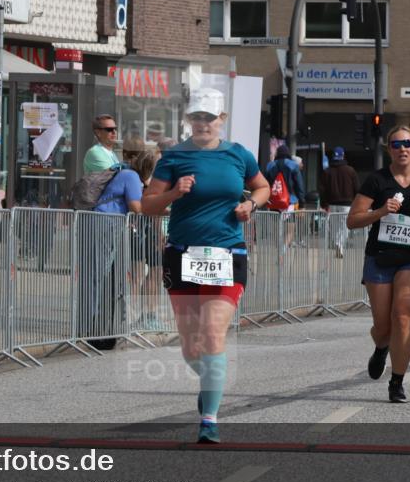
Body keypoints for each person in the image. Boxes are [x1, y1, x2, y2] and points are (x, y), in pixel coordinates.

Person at [142, 87, 270, 443]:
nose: (202, 124)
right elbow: (148, 204)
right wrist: (173, 192)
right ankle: (209, 381)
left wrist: (251, 206)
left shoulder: (238, 154)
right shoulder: (173, 157)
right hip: (183, 254)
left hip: (227, 254)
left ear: (221, 120)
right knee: (191, 347)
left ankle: (209, 419)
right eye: (196, 117)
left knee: (213, 333)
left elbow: (263, 187)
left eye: (209, 118)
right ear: (188, 120)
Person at [347, 126, 410, 403]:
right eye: (396, 144)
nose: (402, 148)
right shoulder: (377, 181)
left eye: (407, 143)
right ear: (389, 149)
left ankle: (397, 381)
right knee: (382, 326)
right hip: (379, 257)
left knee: (402, 316)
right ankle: (381, 348)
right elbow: (353, 219)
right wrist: (381, 211)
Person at [81, 153, 144, 351]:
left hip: (102, 224)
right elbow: (136, 206)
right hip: (107, 226)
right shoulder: (131, 175)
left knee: (101, 277)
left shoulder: (119, 171)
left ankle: (95, 328)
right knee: (98, 277)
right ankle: (92, 330)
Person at [128, 150, 163, 330]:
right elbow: (153, 211)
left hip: (143, 232)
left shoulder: (140, 180)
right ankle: (142, 316)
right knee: (145, 275)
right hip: (143, 232)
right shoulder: (149, 184)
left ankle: (145, 315)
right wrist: (160, 235)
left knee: (148, 274)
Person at [320, 146, 359, 258]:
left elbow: (322, 190)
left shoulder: (327, 172)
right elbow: (357, 189)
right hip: (347, 204)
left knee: (334, 227)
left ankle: (337, 244)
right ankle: (340, 245)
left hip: (332, 203)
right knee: (345, 226)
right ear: (343, 156)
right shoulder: (350, 170)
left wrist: (324, 204)